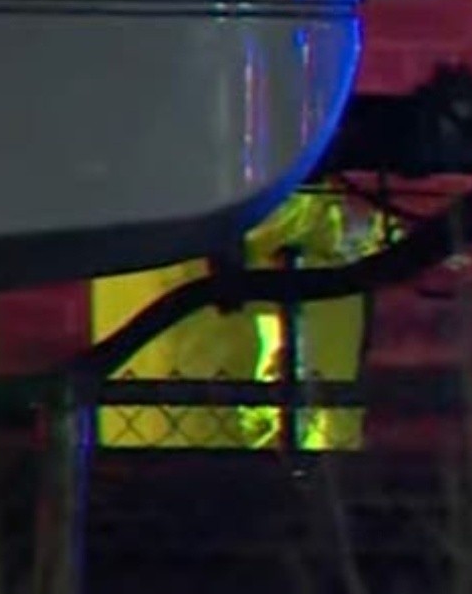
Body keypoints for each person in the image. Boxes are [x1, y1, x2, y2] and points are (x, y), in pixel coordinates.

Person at [90, 187, 387, 450]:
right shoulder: (206, 182)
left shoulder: (118, 200)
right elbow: (251, 212)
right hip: (209, 403)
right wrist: (342, 222)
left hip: (145, 416)